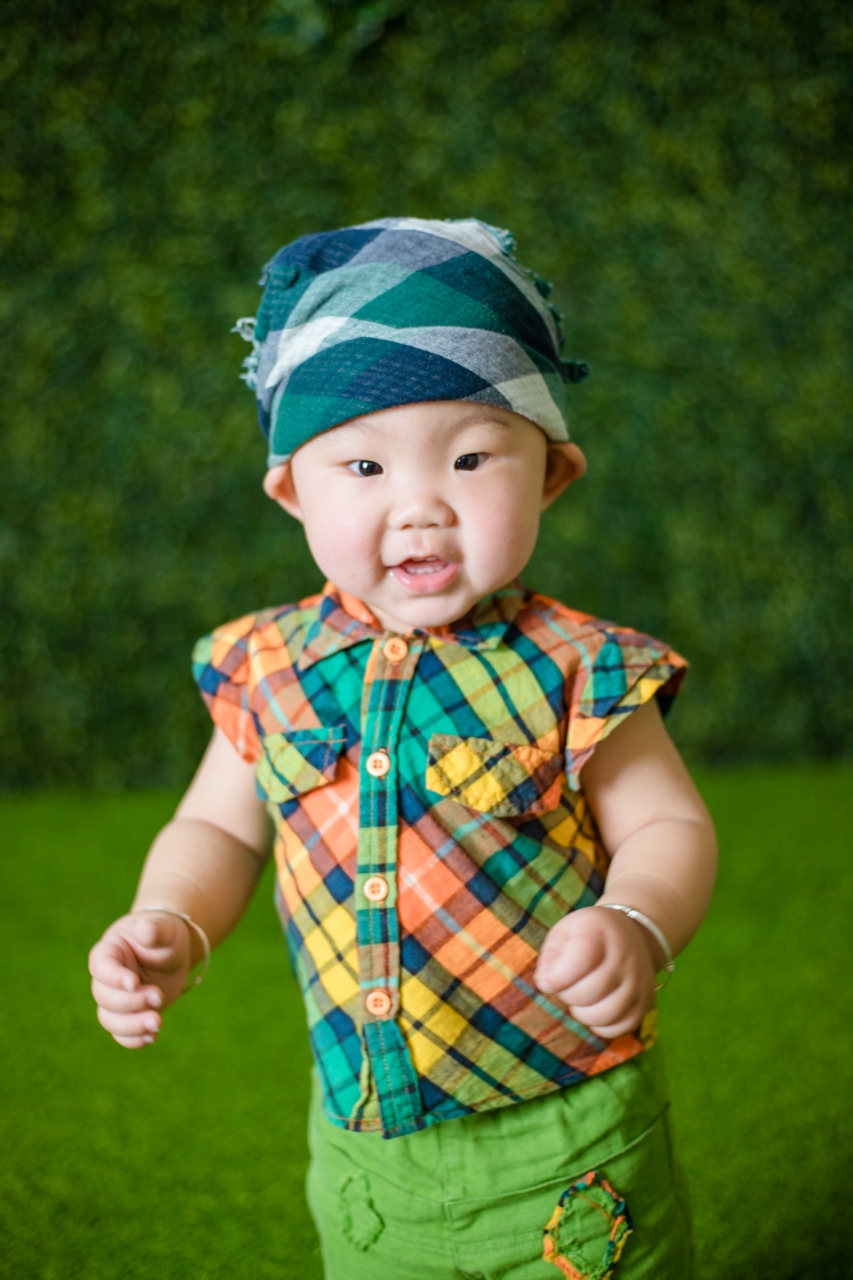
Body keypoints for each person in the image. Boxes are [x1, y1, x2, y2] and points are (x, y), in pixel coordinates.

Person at [88, 217, 717, 1280]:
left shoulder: (579, 667)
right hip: (366, 1131)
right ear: (294, 490)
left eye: (471, 457)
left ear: (549, 474)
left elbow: (665, 822)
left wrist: (638, 919)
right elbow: (217, 829)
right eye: (364, 464)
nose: (421, 505)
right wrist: (172, 919)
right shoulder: (266, 666)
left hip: (567, 1124)